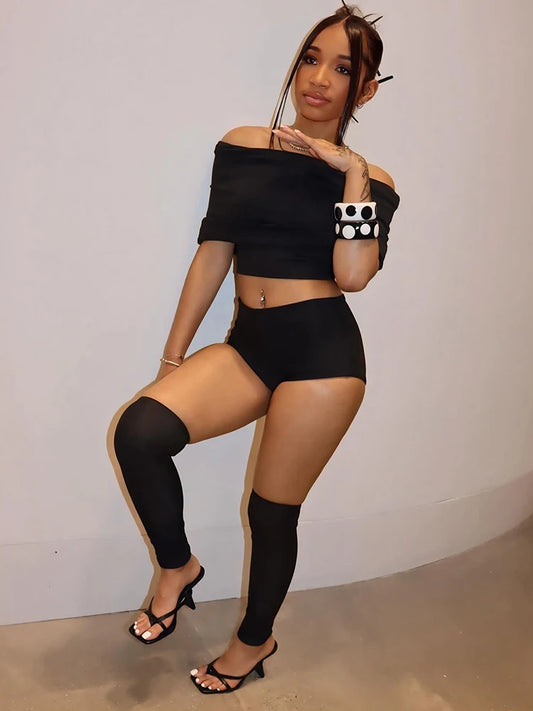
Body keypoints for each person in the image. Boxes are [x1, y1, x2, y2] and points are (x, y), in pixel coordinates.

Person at [113, 2, 400, 695]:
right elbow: (213, 254)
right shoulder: (242, 144)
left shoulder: (375, 183)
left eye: (343, 69)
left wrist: (351, 174)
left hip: (323, 357)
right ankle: (178, 567)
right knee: (140, 432)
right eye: (311, 58)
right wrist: (173, 359)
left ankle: (253, 640)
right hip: (250, 345)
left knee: (269, 513)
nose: (319, 78)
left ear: (364, 89)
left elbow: (352, 275)